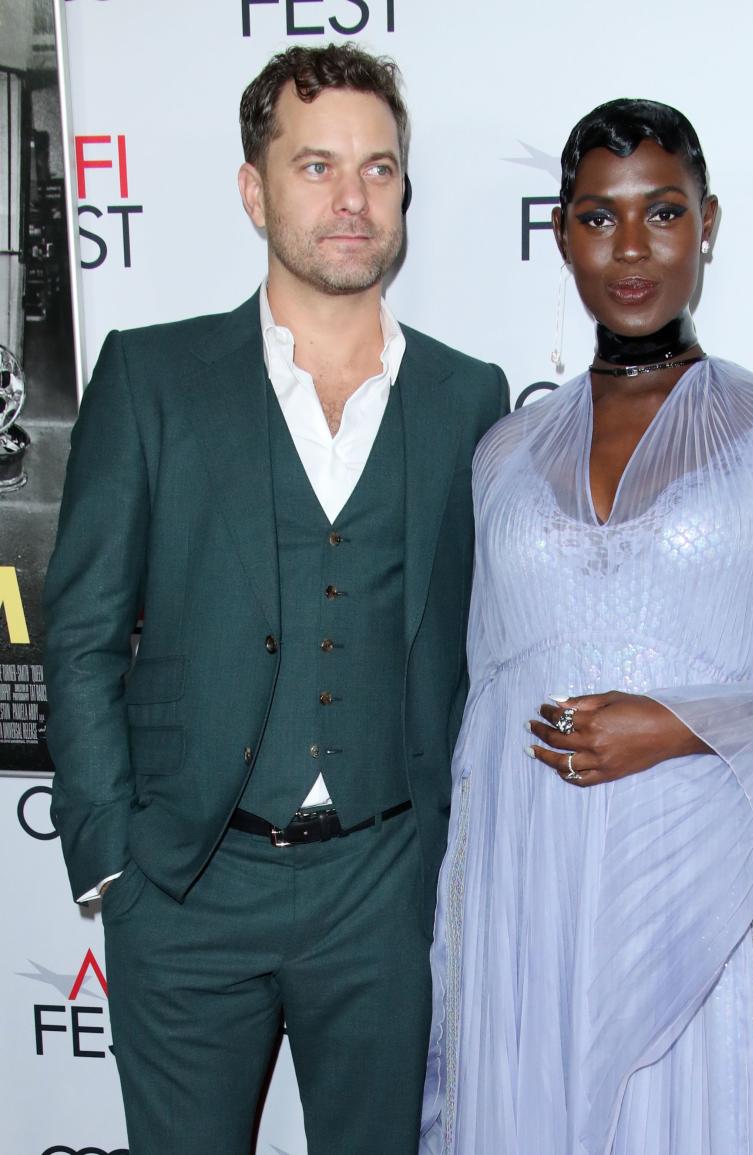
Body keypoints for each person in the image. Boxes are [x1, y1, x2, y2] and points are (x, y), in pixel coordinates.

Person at [43, 43, 508, 1155]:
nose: (352, 199)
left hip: (384, 889)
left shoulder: (467, 395)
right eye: (315, 167)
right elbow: (84, 630)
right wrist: (113, 858)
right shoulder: (152, 379)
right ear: (255, 190)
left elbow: (483, 646)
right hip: (190, 882)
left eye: (379, 169)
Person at [420, 99, 753, 1155]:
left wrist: (678, 722)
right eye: (598, 217)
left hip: (701, 873)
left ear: (707, 223)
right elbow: (482, 692)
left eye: (662, 213)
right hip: (527, 881)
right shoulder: (504, 453)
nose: (632, 250)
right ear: (563, 234)